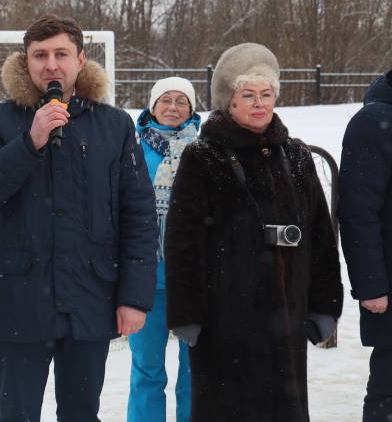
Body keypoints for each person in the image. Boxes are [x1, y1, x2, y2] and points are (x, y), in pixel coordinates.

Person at [0, 14, 159, 422]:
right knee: (18, 414)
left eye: (61, 54)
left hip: (91, 298)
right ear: (26, 62)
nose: (51, 64)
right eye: (40, 55)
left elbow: (138, 214)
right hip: (20, 300)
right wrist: (30, 141)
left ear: (80, 60)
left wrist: (134, 297)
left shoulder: (113, 125)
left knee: (82, 413)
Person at [164, 42, 343, 421]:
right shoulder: (204, 157)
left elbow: (321, 235)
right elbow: (182, 241)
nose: (259, 103)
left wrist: (325, 303)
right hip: (224, 317)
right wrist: (186, 311)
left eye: (266, 94)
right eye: (248, 95)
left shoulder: (296, 155)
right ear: (229, 101)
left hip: (287, 317)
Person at [128, 77, 199, 422]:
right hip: (146, 279)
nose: (173, 107)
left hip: (194, 281)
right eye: (165, 100)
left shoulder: (206, 150)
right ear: (152, 106)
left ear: (191, 109)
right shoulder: (131, 148)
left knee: (196, 370)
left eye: (181, 101)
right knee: (147, 369)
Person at [338, 70, 392, 422]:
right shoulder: (373, 122)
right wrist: (371, 285)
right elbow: (358, 211)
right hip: (389, 282)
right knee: (388, 390)